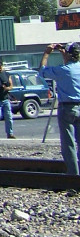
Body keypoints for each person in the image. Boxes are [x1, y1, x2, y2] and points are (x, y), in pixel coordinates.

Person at [40, 42, 80, 175]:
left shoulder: (63, 70)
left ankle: (74, 175)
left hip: (67, 108)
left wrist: (47, 53)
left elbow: (42, 72)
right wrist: (65, 54)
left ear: (68, 55)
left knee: (69, 144)